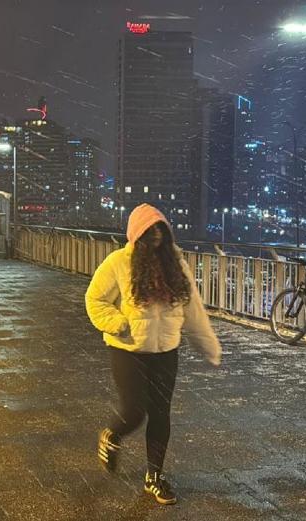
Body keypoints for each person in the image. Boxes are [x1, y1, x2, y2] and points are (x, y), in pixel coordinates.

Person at [85, 203, 221, 506]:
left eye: (160, 229)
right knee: (134, 411)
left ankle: (155, 478)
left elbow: (194, 310)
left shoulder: (176, 265)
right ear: (137, 234)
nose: (156, 235)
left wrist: (209, 347)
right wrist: (118, 324)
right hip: (128, 349)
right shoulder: (118, 262)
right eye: (149, 230)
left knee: (161, 413)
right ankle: (112, 435)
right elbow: (94, 299)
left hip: (165, 351)